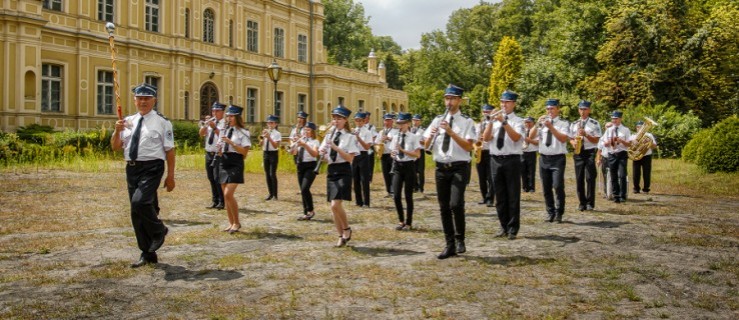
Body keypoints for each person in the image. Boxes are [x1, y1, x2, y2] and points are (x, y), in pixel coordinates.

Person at [111, 83, 175, 268]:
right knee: (137, 211)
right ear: (135, 100)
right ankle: (147, 253)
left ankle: (159, 230)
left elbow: (170, 151)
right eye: (140, 98)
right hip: (132, 168)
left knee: (140, 202)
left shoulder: (162, 122)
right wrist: (116, 130)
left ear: (154, 100)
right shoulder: (128, 121)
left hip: (152, 167)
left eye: (147, 98)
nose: (143, 102)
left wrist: (170, 176)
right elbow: (115, 146)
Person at [423, 84, 475, 259]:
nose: (449, 102)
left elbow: (469, 147)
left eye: (452, 99)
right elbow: (425, 145)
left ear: (459, 100)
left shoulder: (467, 121)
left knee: (455, 203)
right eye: (447, 98)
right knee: (444, 207)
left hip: (459, 166)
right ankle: (449, 244)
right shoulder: (437, 119)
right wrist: (431, 136)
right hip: (441, 167)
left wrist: (451, 132)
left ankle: (460, 238)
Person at [483, 90, 526, 240]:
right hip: (495, 159)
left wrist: (504, 122)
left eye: (507, 102)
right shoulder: (494, 121)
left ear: (513, 104)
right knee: (500, 195)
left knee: (513, 195)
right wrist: (490, 122)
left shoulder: (518, 121)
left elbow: (515, 137)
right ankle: (503, 225)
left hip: (512, 159)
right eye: (502, 102)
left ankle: (513, 228)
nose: (503, 105)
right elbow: (486, 138)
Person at [318, 105, 360, 247]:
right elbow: (324, 157)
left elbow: (350, 158)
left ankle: (347, 228)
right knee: (332, 207)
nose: (335, 121)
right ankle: (340, 235)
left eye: (339, 118)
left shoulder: (349, 137)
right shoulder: (329, 135)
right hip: (331, 170)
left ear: (345, 120)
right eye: (334, 118)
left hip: (343, 170)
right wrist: (323, 153)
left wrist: (335, 147)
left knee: (336, 204)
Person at [529, 99, 571, 223]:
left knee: (557, 186)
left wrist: (551, 127)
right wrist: (537, 124)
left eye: (552, 108)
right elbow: (531, 136)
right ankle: (550, 212)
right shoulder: (542, 123)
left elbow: (563, 139)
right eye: (547, 109)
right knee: (546, 187)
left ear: (558, 109)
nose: (549, 111)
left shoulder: (563, 123)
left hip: (557, 158)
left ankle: (559, 212)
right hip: (544, 158)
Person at [218, 105, 251, 233]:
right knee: (225, 196)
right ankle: (231, 223)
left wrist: (231, 143)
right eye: (228, 116)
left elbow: (245, 152)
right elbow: (221, 147)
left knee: (228, 193)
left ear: (237, 117)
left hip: (236, 162)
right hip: (224, 161)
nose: (229, 118)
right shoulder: (224, 130)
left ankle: (237, 223)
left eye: (231, 116)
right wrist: (220, 149)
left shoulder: (244, 132)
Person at [389, 112, 422, 230]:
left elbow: (417, 155)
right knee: (396, 195)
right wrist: (393, 154)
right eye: (398, 123)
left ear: (408, 123)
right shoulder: (395, 136)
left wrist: (403, 150)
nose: (400, 125)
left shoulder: (413, 137)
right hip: (398, 166)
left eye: (402, 123)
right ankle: (400, 220)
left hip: (409, 166)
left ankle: (409, 222)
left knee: (408, 196)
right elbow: (393, 151)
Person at [569, 100, 602, 211]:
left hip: (589, 152)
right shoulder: (574, 124)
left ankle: (590, 202)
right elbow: (570, 138)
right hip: (578, 152)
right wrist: (573, 142)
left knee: (590, 177)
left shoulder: (594, 123)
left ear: (589, 110)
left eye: (585, 109)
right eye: (581, 109)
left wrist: (586, 134)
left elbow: (597, 140)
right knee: (579, 178)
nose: (582, 111)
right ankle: (581, 202)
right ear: (578, 110)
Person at [291, 122, 321, 221]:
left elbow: (315, 154)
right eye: (305, 129)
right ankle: (306, 213)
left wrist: (305, 145)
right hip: (300, 165)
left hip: (310, 166)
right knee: (302, 190)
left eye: (308, 130)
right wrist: (294, 145)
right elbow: (294, 153)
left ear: (312, 132)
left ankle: (311, 210)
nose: (305, 131)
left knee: (304, 188)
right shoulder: (301, 140)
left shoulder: (315, 142)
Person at [199, 102, 226, 210]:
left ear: (222, 112)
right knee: (210, 177)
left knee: (217, 177)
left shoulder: (225, 123)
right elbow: (201, 134)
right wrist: (205, 126)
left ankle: (222, 200)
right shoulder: (211, 122)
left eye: (217, 111)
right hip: (208, 152)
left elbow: (223, 136)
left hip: (218, 153)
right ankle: (214, 200)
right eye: (213, 111)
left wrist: (214, 128)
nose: (214, 113)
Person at [604, 111, 632, 203]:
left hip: (622, 154)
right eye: (613, 118)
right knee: (613, 175)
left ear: (620, 119)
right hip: (612, 154)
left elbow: (629, 144)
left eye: (616, 118)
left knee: (623, 175)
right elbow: (604, 143)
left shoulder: (625, 130)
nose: (614, 120)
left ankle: (623, 195)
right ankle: (616, 195)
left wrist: (621, 141)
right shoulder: (609, 130)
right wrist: (610, 141)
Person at [352, 112, 374, 207]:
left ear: (364, 121)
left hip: (364, 155)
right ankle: (358, 201)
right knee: (355, 179)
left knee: (364, 179)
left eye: (360, 120)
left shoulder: (367, 132)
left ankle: (366, 202)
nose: (358, 122)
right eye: (356, 120)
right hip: (355, 155)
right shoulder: (353, 131)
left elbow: (367, 147)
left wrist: (358, 138)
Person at [475, 104, 494, 206]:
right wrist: (476, 145)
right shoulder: (479, 124)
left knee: (491, 177)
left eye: (488, 111)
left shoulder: (494, 124)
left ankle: (490, 198)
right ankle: (484, 197)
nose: (486, 113)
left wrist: (487, 137)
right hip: (480, 152)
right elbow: (475, 138)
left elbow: (493, 136)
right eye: (484, 111)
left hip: (490, 151)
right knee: (481, 177)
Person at [376, 113, 399, 198]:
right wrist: (379, 144)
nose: (387, 122)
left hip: (391, 154)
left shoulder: (395, 131)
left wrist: (389, 138)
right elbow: (376, 142)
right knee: (385, 173)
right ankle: (388, 191)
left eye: (389, 120)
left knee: (392, 172)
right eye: (386, 120)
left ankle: (393, 190)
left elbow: (397, 140)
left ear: (392, 121)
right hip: (384, 154)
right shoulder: (381, 132)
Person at [631, 121, 657, 194]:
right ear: (636, 128)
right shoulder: (633, 136)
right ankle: (636, 188)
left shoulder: (649, 135)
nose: (639, 128)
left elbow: (654, 146)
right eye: (638, 127)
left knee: (646, 173)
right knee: (636, 173)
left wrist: (648, 143)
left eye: (641, 127)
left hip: (646, 156)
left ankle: (646, 188)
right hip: (636, 156)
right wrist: (633, 142)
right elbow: (629, 146)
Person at [261, 115, 281, 200]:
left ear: (275, 124)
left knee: (272, 173)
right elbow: (260, 144)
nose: (269, 124)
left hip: (273, 153)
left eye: (271, 123)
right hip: (266, 153)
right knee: (267, 174)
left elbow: (276, 145)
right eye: (268, 123)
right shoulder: (265, 132)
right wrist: (262, 139)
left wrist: (269, 138)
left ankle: (275, 195)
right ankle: (270, 193)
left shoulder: (277, 134)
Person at [596, 122, 614, 199]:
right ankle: (607, 193)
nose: (608, 128)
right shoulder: (602, 138)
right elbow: (599, 150)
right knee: (605, 175)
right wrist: (598, 159)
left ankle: (614, 192)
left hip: (613, 157)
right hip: (605, 158)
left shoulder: (616, 136)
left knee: (614, 175)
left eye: (610, 126)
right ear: (605, 128)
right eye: (607, 127)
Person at [521, 117, 537, 193]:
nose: (528, 124)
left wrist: (529, 140)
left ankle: (531, 187)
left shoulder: (536, 130)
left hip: (531, 152)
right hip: (522, 152)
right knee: (523, 171)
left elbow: (537, 142)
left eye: (529, 122)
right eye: (526, 122)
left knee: (531, 171)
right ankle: (524, 187)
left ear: (533, 123)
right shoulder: (522, 130)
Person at [410, 114, 426, 193]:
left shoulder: (422, 130)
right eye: (413, 120)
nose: (415, 122)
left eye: (417, 120)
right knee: (412, 170)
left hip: (420, 150)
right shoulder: (410, 130)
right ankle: (414, 186)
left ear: (420, 121)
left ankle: (421, 187)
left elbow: (426, 142)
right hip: (412, 151)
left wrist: (419, 141)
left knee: (420, 170)